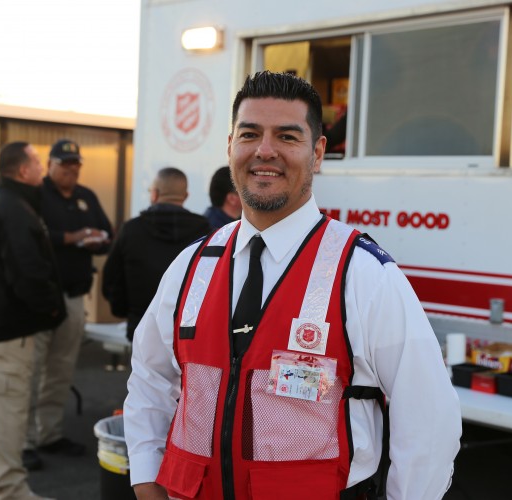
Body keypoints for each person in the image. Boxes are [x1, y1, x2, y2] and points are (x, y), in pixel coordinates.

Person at [123, 71, 461, 499]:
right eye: (250, 134)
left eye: (286, 136)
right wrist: (146, 476)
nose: (265, 151)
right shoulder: (193, 265)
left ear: (317, 153)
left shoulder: (362, 274)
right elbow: (151, 377)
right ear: (230, 147)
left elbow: (427, 418)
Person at [0, 141, 66, 500]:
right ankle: (11, 493)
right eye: (37, 162)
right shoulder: (14, 209)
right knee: (5, 426)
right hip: (9, 339)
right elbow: (28, 274)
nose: (42, 168)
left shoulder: (2, 202)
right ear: (23, 170)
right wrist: (53, 309)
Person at [23, 139, 113, 470]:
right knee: (30, 370)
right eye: (65, 166)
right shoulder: (36, 194)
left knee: (60, 369)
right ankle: (23, 441)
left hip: (75, 297)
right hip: (41, 297)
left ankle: (49, 433)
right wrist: (73, 238)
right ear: (50, 165)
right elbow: (33, 236)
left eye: (76, 166)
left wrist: (98, 239)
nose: (72, 172)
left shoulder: (85, 195)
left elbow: (107, 232)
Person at [102, 167, 211, 342]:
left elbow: (111, 280)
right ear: (185, 196)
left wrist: (127, 312)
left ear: (154, 194)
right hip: (188, 330)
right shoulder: (205, 232)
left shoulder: (131, 230)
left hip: (141, 326)